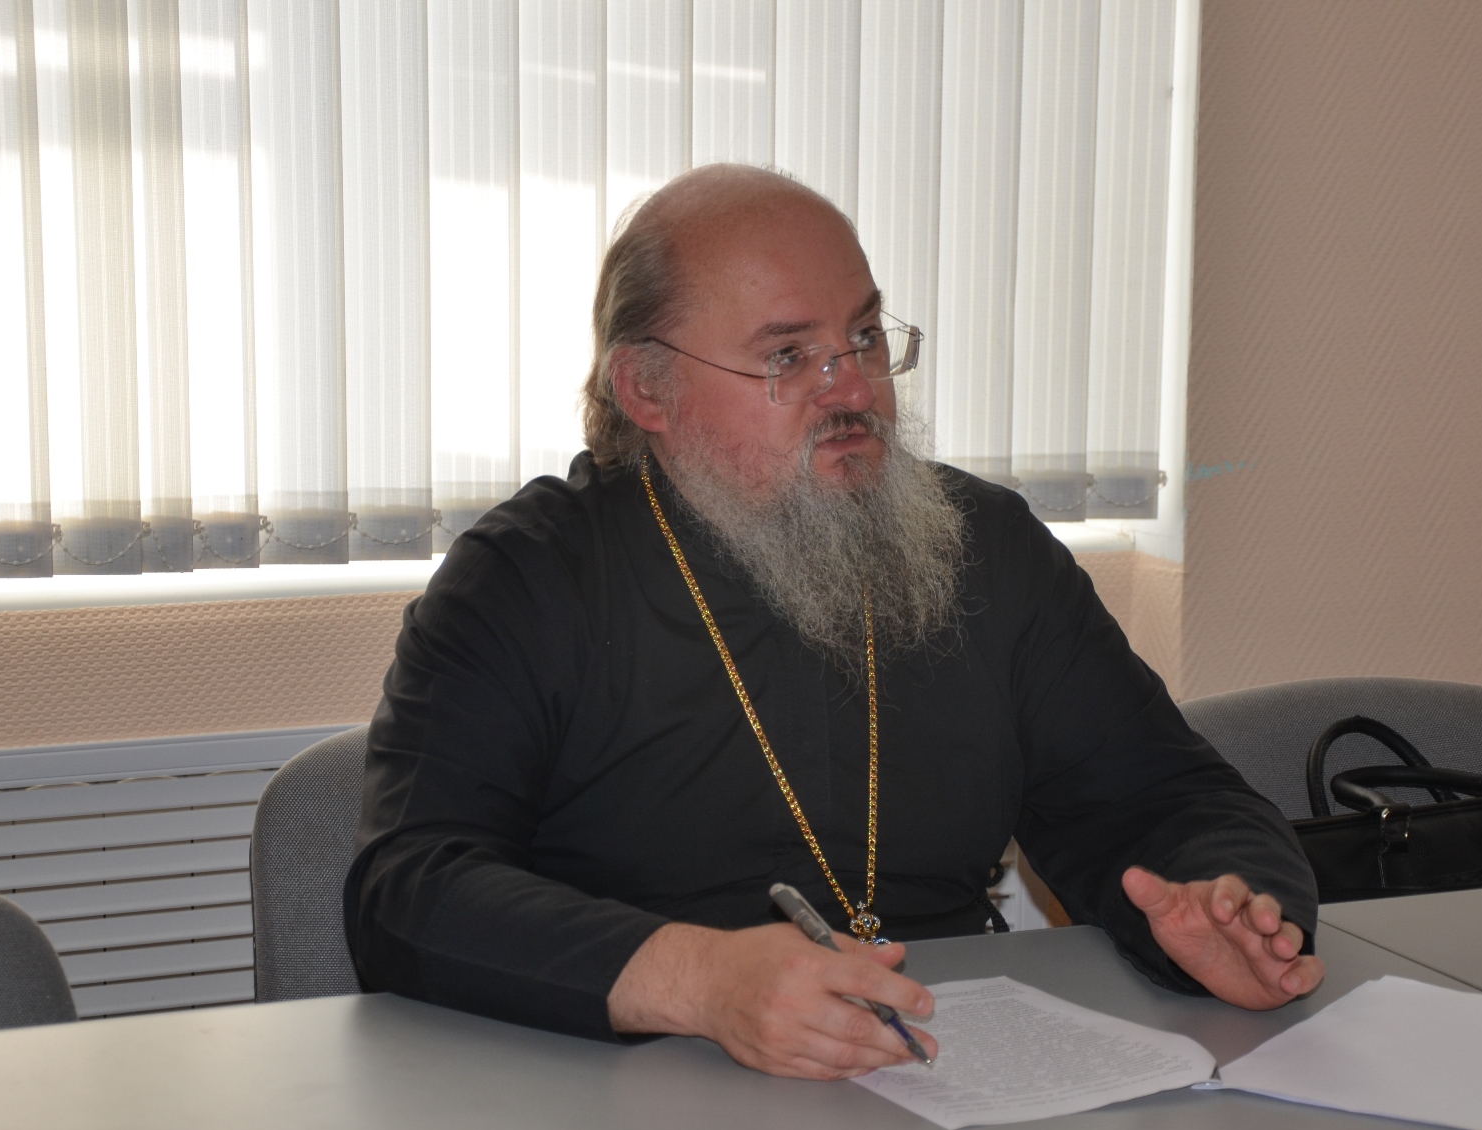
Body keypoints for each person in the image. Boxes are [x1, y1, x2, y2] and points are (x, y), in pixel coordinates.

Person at [345, 164, 1323, 1080]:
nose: (854, 389)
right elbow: (412, 885)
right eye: (787, 356)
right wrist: (700, 980)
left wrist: (1225, 904)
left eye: (863, 338)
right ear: (646, 387)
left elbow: (1158, 797)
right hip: (632, 1091)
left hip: (952, 1076)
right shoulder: (529, 580)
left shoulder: (986, 548)